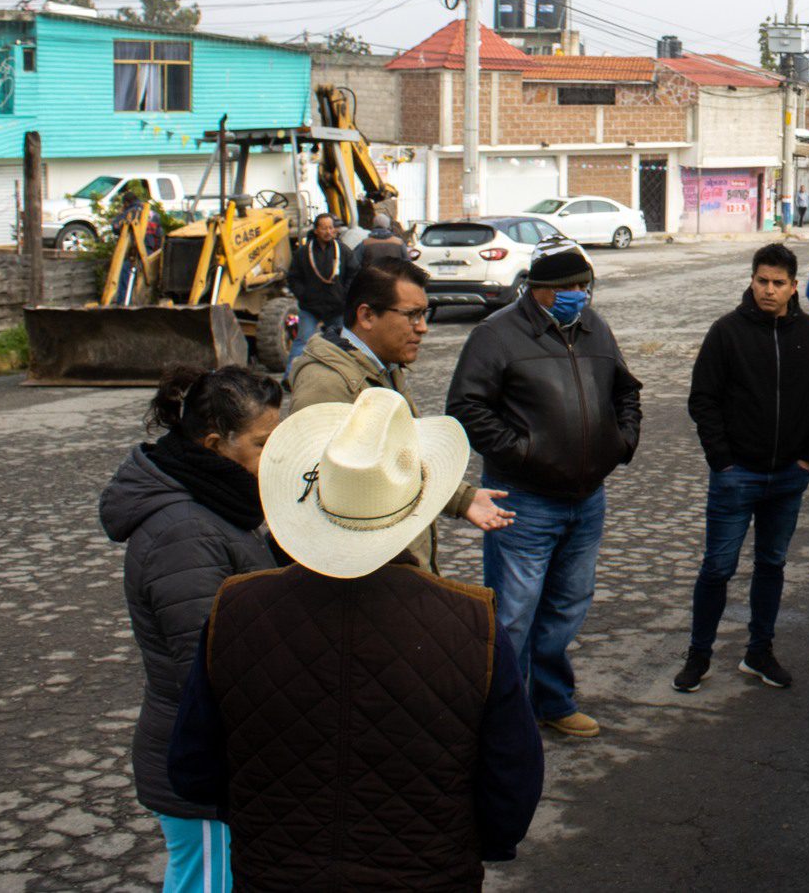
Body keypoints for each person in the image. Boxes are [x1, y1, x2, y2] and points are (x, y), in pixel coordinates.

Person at [168, 389, 542, 890]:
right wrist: (475, 844)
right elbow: (512, 778)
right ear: (417, 507)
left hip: (274, 875)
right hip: (429, 875)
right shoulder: (471, 622)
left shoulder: (235, 608)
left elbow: (193, 768)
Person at [446, 242, 642, 741]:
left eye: (585, 287)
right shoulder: (496, 335)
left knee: (567, 606)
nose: (582, 296)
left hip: (587, 498)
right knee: (513, 615)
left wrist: (622, 440)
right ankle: (501, 720)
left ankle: (552, 700)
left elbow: (626, 390)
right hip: (523, 500)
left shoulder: (595, 327)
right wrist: (524, 452)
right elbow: (467, 407)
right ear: (541, 290)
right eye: (571, 288)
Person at [99, 365, 282, 893]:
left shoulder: (218, 501)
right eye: (262, 444)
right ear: (214, 444)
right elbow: (210, 666)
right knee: (206, 882)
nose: (274, 457)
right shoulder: (183, 530)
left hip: (219, 753)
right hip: (203, 762)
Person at [675, 243, 809, 693]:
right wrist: (722, 460)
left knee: (772, 564)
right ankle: (699, 655)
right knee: (717, 568)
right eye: (762, 281)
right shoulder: (726, 332)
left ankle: (759, 652)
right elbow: (703, 399)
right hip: (736, 476)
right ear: (752, 281)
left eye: (778, 283)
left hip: (789, 476)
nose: (769, 290)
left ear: (793, 287)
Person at [289, 259, 513, 573]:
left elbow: (400, 462)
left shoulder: (381, 367)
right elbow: (318, 504)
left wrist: (462, 498)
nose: (422, 327)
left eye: (424, 314)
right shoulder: (328, 384)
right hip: (375, 577)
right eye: (412, 315)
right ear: (366, 315)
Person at [285, 212, 356, 364]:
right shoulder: (304, 252)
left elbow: (354, 273)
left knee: (342, 344)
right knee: (302, 342)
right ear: (316, 230)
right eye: (324, 228)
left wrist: (344, 294)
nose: (328, 232)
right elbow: (293, 277)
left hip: (337, 307)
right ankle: (289, 379)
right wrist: (303, 295)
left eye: (331, 228)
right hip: (310, 307)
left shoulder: (343, 251)